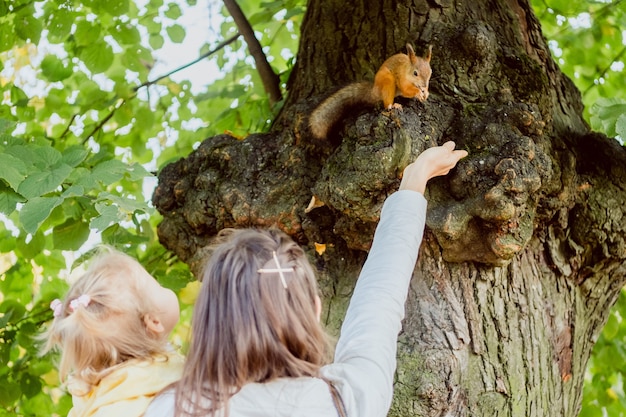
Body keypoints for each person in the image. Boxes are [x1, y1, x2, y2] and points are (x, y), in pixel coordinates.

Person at [145, 141, 468, 417]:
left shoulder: (170, 407)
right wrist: (414, 180)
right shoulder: (346, 398)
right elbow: (379, 302)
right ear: (313, 309)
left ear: (210, 319)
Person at [42, 247, 184, 417]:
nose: (163, 286)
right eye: (157, 284)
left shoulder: (92, 402)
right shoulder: (164, 396)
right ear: (153, 321)